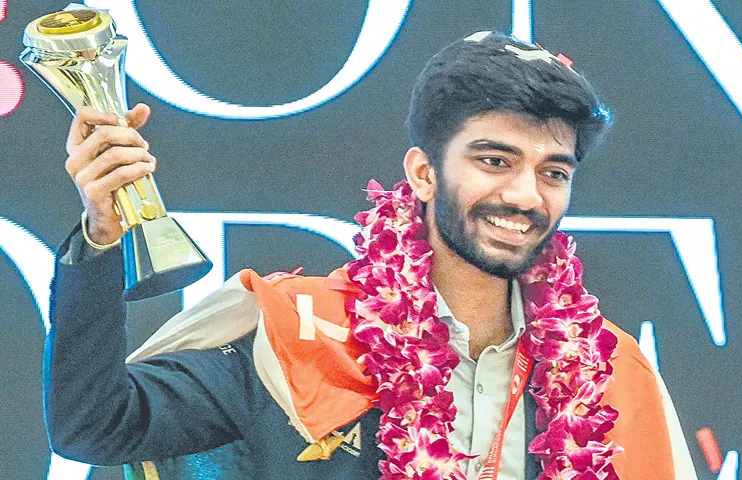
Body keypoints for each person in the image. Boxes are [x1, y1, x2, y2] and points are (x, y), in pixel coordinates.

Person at [47, 32, 697, 480]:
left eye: (553, 171)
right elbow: (95, 425)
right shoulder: (302, 340)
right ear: (422, 173)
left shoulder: (612, 374)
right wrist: (104, 233)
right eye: (495, 160)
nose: (524, 195)